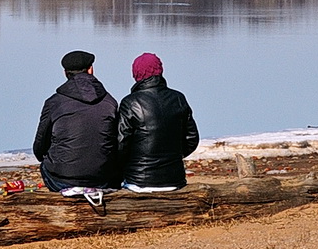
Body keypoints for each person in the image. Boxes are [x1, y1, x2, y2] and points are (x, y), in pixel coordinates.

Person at [33, 50, 118, 193]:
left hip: (62, 179)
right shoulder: (109, 102)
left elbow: (40, 148)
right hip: (101, 178)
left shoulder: (54, 102)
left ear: (65, 73)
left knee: (45, 165)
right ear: (90, 70)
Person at [117, 52, 200, 192]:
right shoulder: (178, 98)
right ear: (160, 71)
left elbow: (121, 143)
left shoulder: (130, 102)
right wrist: (174, 157)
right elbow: (192, 138)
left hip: (138, 181)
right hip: (175, 180)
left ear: (136, 75)